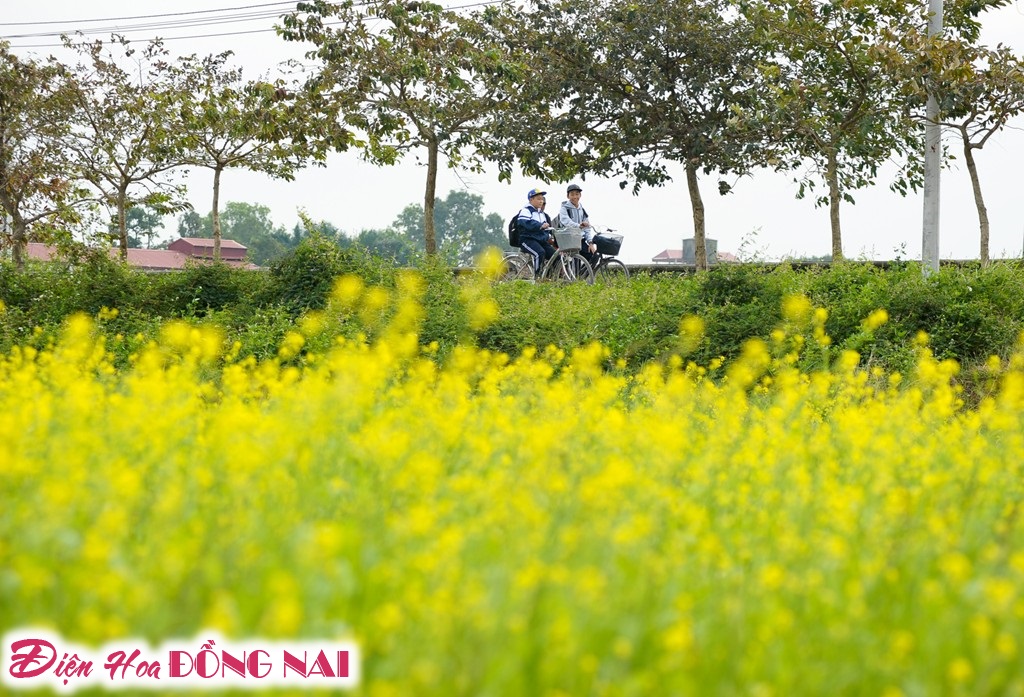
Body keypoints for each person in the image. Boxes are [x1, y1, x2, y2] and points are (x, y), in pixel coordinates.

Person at [559, 182, 599, 268]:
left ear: (580, 195)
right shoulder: (564, 208)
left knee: (594, 256)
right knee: (575, 262)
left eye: (577, 194)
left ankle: (582, 276)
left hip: (580, 240)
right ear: (568, 196)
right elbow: (566, 221)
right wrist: (578, 225)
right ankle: (575, 278)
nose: (575, 197)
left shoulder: (582, 209)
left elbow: (587, 227)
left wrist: (590, 242)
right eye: (572, 194)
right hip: (569, 240)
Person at [518, 187, 555, 277]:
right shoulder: (526, 210)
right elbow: (526, 223)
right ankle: (538, 278)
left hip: (540, 240)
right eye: (538, 199)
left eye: (542, 199)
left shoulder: (541, 214)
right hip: (527, 239)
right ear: (531, 200)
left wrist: (548, 235)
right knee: (540, 253)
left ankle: (549, 277)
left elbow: (545, 228)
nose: (541, 201)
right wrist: (540, 225)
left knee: (554, 256)